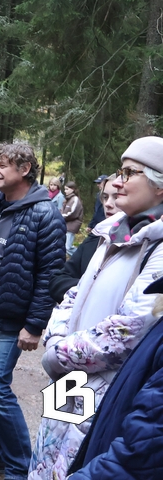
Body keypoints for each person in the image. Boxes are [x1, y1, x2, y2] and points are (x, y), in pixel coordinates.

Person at [29, 137, 163, 480]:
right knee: (46, 454)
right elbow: (74, 295)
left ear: (160, 186)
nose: (117, 182)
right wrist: (57, 339)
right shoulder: (110, 234)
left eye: (130, 172)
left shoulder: (158, 248)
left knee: (70, 464)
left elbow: (126, 332)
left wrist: (58, 354)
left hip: (103, 387)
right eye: (120, 171)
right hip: (71, 376)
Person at [0, 142, 66, 480]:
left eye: (4, 164)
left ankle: (21, 466)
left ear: (25, 169)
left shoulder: (44, 214)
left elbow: (50, 273)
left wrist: (35, 325)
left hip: (9, 319)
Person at [65, 277, 163, 479]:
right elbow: (67, 286)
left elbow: (142, 453)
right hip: (69, 367)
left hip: (80, 364)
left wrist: (58, 353)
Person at [48, 174, 120, 305]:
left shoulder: (145, 246)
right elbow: (57, 281)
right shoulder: (95, 239)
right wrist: (90, 288)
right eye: (105, 197)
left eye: (117, 197)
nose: (108, 204)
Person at [61, 181, 84, 256]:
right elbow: (62, 210)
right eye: (65, 189)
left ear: (73, 189)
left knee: (68, 247)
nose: (65, 191)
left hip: (72, 226)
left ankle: (80, 256)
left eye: (67, 189)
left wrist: (61, 216)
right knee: (65, 246)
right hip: (66, 225)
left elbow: (73, 213)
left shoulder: (75, 199)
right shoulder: (67, 199)